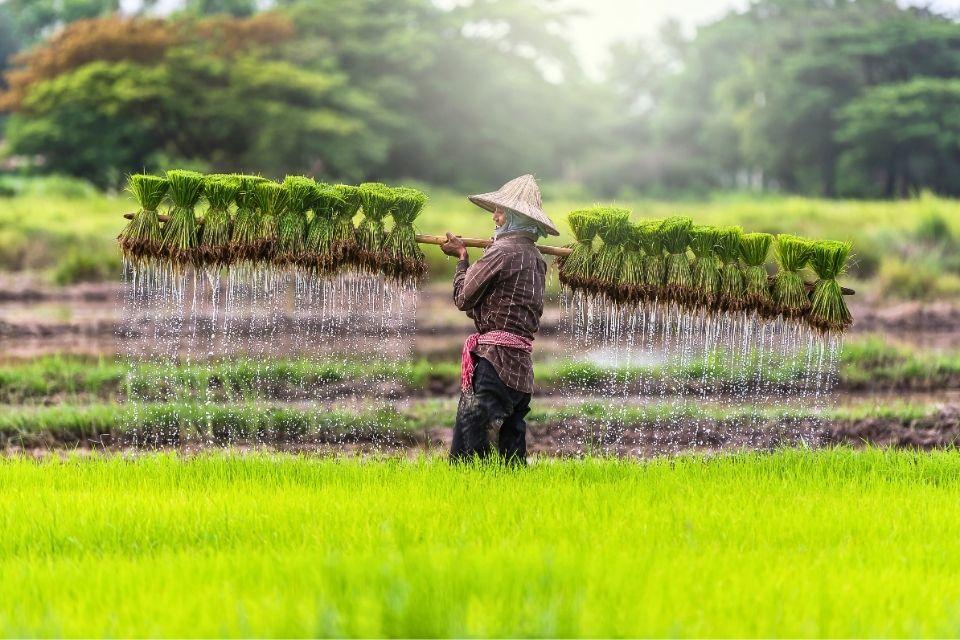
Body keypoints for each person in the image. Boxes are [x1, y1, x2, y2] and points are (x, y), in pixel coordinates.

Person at [439, 174, 559, 464]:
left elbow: (463, 299)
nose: (494, 216)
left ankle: (473, 495)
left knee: (470, 444)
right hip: (521, 369)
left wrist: (461, 258)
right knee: (511, 448)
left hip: (495, 362)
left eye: (500, 211)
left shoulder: (501, 252)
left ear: (514, 217)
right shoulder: (536, 259)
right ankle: (509, 496)